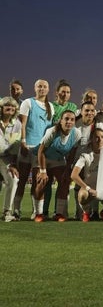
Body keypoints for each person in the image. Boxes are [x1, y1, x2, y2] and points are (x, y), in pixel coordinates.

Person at [13, 79, 55, 221]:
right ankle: (16, 210)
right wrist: (23, 142)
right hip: (27, 147)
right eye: (39, 86)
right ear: (35, 88)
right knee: (22, 180)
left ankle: (36, 211)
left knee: (38, 182)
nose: (42, 88)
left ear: (48, 89)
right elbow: (22, 124)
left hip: (40, 150)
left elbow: (49, 130)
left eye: (44, 86)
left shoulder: (51, 106)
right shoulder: (28, 103)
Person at [35, 110, 82, 222]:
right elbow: (40, 151)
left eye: (72, 119)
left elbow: (72, 154)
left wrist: (67, 169)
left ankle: (59, 213)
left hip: (59, 160)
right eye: (66, 119)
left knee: (65, 181)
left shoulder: (76, 134)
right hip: (44, 158)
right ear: (61, 121)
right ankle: (39, 213)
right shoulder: (52, 131)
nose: (69, 121)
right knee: (42, 182)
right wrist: (42, 171)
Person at [71, 128, 103, 222]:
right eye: (96, 137)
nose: (99, 140)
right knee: (82, 195)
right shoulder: (86, 156)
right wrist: (88, 189)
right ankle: (86, 212)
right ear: (91, 139)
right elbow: (74, 175)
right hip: (90, 189)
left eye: (102, 137)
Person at [0, 97, 22, 221]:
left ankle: (7, 212)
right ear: (1, 108)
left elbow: (15, 145)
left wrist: (13, 164)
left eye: (13, 107)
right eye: (7, 106)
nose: (10, 108)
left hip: (5, 159)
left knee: (14, 179)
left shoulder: (17, 124)